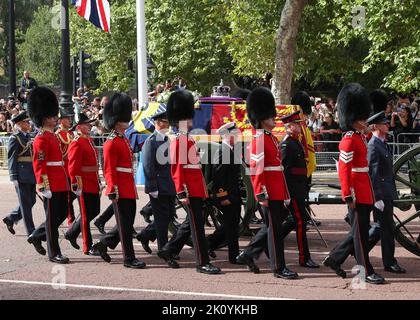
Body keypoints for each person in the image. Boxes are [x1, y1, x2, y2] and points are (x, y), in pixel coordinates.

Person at [323, 83, 385, 284]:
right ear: (352, 119)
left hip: (364, 189)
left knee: (358, 232)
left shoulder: (360, 136)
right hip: (356, 192)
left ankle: (335, 259)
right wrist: (347, 194)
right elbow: (344, 170)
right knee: (359, 235)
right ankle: (365, 271)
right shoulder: (349, 139)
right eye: (362, 118)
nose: (365, 121)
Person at [236, 87, 298, 279]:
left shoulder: (270, 138)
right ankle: (278, 268)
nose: (274, 118)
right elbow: (256, 169)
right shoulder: (259, 139)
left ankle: (248, 254)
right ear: (261, 117)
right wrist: (261, 194)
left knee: (273, 228)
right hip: (269, 192)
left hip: (277, 189)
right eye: (270, 116)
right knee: (274, 230)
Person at [157, 90, 221, 275]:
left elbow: (195, 168)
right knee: (197, 228)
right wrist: (182, 192)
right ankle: (202, 262)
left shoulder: (187, 139)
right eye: (188, 118)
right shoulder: (179, 141)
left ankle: (168, 250)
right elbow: (177, 169)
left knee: (191, 224)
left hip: (196, 188)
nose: (192, 121)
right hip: (190, 190)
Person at [91, 93, 146, 269]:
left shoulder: (124, 140)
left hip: (128, 185)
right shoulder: (111, 142)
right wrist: (112, 189)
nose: (127, 119)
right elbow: (109, 169)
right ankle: (129, 259)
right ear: (116, 121)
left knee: (127, 222)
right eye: (124, 117)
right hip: (120, 187)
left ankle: (103, 244)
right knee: (125, 225)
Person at [28, 87, 70, 264]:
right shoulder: (41, 138)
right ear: (43, 118)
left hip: (60, 180)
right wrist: (43, 185)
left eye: (54, 116)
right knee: (52, 220)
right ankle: (54, 252)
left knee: (61, 213)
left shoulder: (53, 136)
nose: (55, 119)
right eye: (51, 117)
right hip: (51, 183)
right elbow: (39, 163)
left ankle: (38, 235)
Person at [135, 108, 179, 268]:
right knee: (161, 221)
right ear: (158, 123)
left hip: (168, 184)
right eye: (166, 122)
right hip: (159, 186)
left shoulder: (166, 140)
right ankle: (163, 250)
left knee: (168, 217)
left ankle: (145, 235)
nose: (168, 125)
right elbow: (148, 166)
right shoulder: (151, 141)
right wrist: (152, 186)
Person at [367, 111, 406, 273]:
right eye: (384, 123)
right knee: (387, 229)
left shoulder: (383, 143)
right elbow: (373, 173)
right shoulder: (373, 145)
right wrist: (377, 197)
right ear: (376, 126)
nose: (387, 125)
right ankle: (389, 262)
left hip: (386, 192)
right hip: (381, 194)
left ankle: (353, 250)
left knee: (381, 228)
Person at [280, 111, 319, 268]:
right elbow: (283, 171)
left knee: (293, 222)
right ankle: (304, 258)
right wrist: (286, 193)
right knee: (301, 222)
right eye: (296, 124)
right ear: (289, 127)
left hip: (299, 189)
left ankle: (260, 246)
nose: (300, 126)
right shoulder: (287, 144)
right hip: (293, 191)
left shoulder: (296, 142)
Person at [2, 111, 43, 252]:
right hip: (21, 175)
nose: (29, 124)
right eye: (26, 122)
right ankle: (31, 232)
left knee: (31, 201)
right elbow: (12, 158)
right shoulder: (15, 138)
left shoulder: (28, 137)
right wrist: (13, 177)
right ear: (19, 124)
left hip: (31, 174)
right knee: (26, 205)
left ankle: (11, 218)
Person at [64, 113, 102, 256]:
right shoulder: (76, 142)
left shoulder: (88, 140)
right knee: (86, 215)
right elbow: (73, 167)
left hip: (93, 180)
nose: (90, 126)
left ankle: (72, 233)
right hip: (84, 182)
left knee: (94, 211)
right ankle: (88, 246)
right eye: (87, 124)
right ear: (79, 127)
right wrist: (76, 184)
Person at [206, 122, 242, 264]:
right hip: (226, 195)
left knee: (230, 226)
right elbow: (218, 176)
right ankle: (233, 257)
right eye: (235, 133)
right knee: (231, 227)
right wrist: (223, 196)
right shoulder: (222, 150)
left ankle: (209, 244)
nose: (238, 135)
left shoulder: (231, 150)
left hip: (234, 194)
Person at [56, 110, 76, 225]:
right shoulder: (58, 135)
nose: (69, 120)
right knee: (69, 196)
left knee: (72, 195)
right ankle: (70, 218)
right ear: (61, 121)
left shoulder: (71, 134)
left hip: (72, 169)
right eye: (67, 119)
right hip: (64, 170)